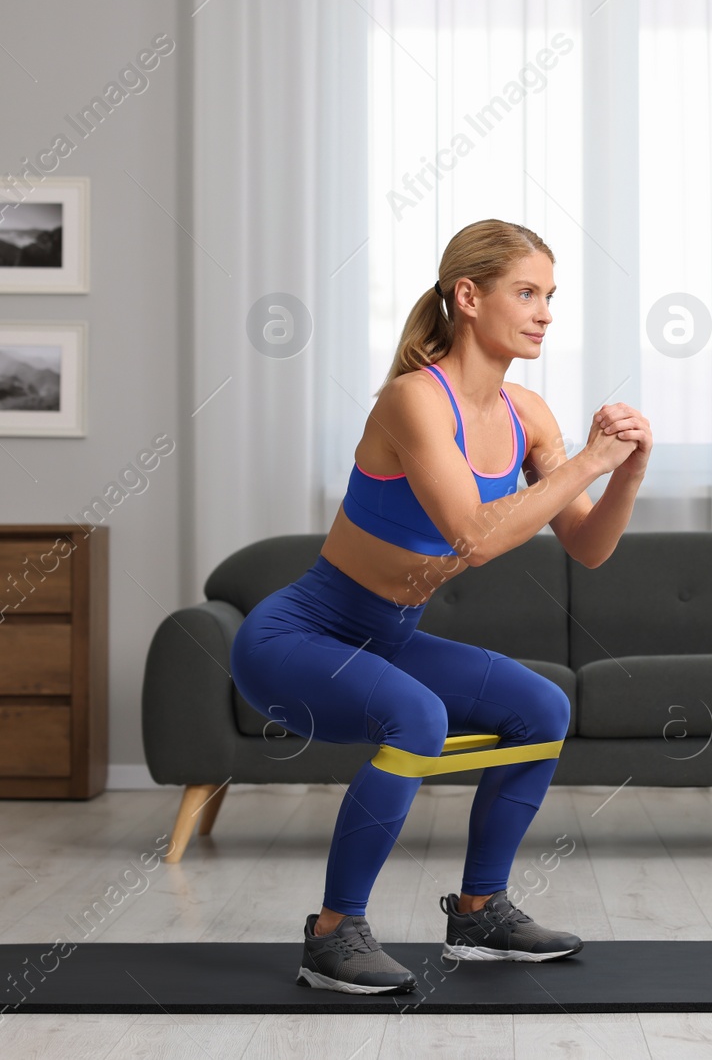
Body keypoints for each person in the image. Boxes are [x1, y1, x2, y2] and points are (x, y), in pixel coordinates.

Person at [228, 218, 652, 994]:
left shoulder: (529, 415)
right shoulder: (413, 402)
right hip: (296, 639)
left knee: (541, 707)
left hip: (385, 640)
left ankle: (481, 912)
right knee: (416, 719)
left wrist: (624, 471)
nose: (545, 312)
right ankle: (331, 934)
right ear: (467, 295)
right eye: (526, 292)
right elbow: (475, 537)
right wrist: (591, 457)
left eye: (550, 296)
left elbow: (587, 546)